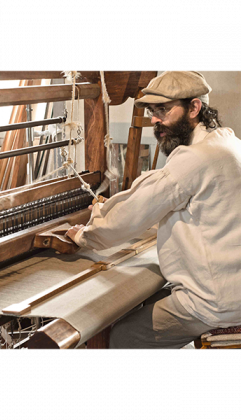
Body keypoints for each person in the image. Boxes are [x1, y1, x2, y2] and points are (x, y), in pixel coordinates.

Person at [66, 70, 241, 350]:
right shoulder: (229, 143)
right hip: (233, 290)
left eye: (163, 110)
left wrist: (86, 234)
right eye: (151, 111)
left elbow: (131, 214)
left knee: (122, 337)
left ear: (194, 107)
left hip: (214, 303)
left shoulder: (195, 158)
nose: (155, 121)